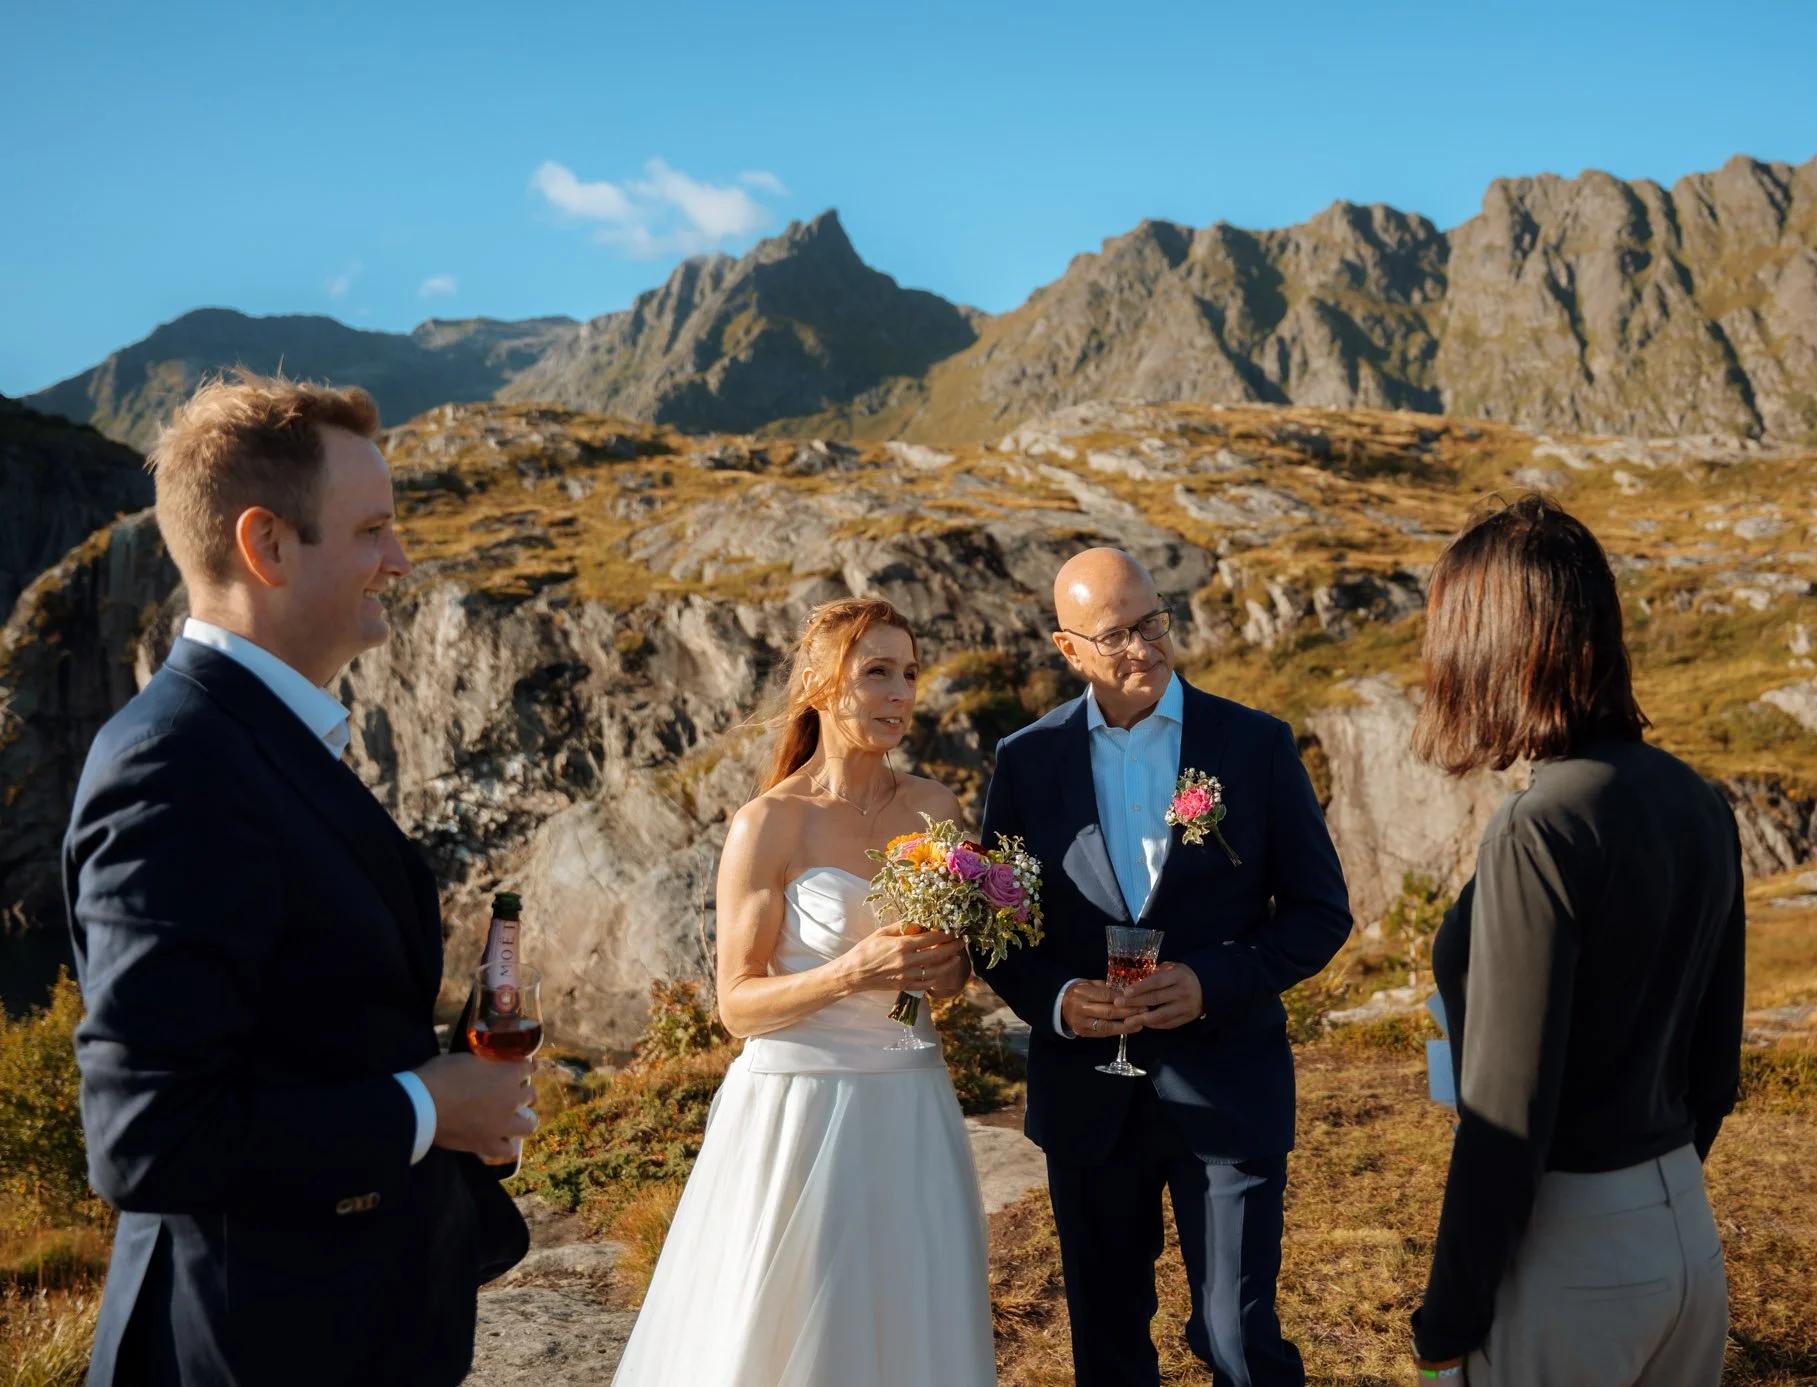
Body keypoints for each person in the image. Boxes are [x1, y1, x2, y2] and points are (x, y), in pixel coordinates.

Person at [63, 372, 535, 1387]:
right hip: (244, 1350)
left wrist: (459, 1108)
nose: (399, 561)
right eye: (372, 531)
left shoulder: (252, 737)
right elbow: (147, 1136)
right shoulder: (175, 766)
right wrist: (426, 1107)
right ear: (266, 545)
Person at [976, 547, 1352, 1387]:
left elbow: (1321, 913)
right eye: (1117, 635)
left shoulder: (1254, 744)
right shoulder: (1026, 761)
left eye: (1154, 623)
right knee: (1106, 1350)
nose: (1145, 648)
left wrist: (1214, 980)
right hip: (1087, 1098)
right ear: (1068, 649)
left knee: (1239, 1340)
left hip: (1228, 1088)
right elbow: (1000, 935)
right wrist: (1064, 1000)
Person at [611, 598, 994, 1387]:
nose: (900, 693)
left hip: (911, 1105)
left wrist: (946, 971)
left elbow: (953, 975)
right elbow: (735, 1004)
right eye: (877, 672)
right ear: (820, 684)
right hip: (798, 1111)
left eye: (910, 673)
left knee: (909, 1326)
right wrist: (852, 971)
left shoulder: (937, 809)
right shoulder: (769, 822)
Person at [1407, 495, 1746, 1386]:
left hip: (1568, 1257)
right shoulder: (1699, 801)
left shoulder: (1540, 829)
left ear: (1495, 645)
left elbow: (1504, 1122)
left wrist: (1448, 1312)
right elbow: (1714, 1074)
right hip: (1685, 1234)